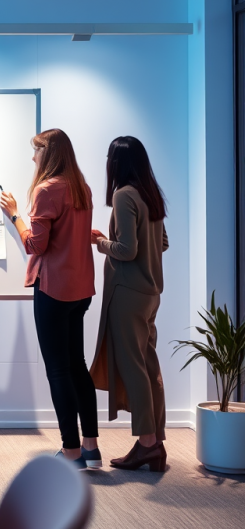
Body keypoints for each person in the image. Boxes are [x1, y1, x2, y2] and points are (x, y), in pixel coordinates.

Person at [0, 129, 98, 469]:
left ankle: (71, 451)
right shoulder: (81, 188)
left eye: (36, 152)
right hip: (80, 289)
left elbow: (35, 245)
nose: (33, 158)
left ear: (50, 154)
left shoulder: (47, 190)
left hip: (53, 289)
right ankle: (91, 447)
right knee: (77, 366)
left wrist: (15, 216)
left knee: (58, 371)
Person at [89, 136, 169, 472]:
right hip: (151, 293)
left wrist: (99, 242)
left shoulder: (124, 195)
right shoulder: (151, 195)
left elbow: (127, 250)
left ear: (116, 162)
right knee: (149, 365)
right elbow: (161, 243)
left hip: (128, 293)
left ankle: (148, 444)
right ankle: (155, 442)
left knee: (133, 365)